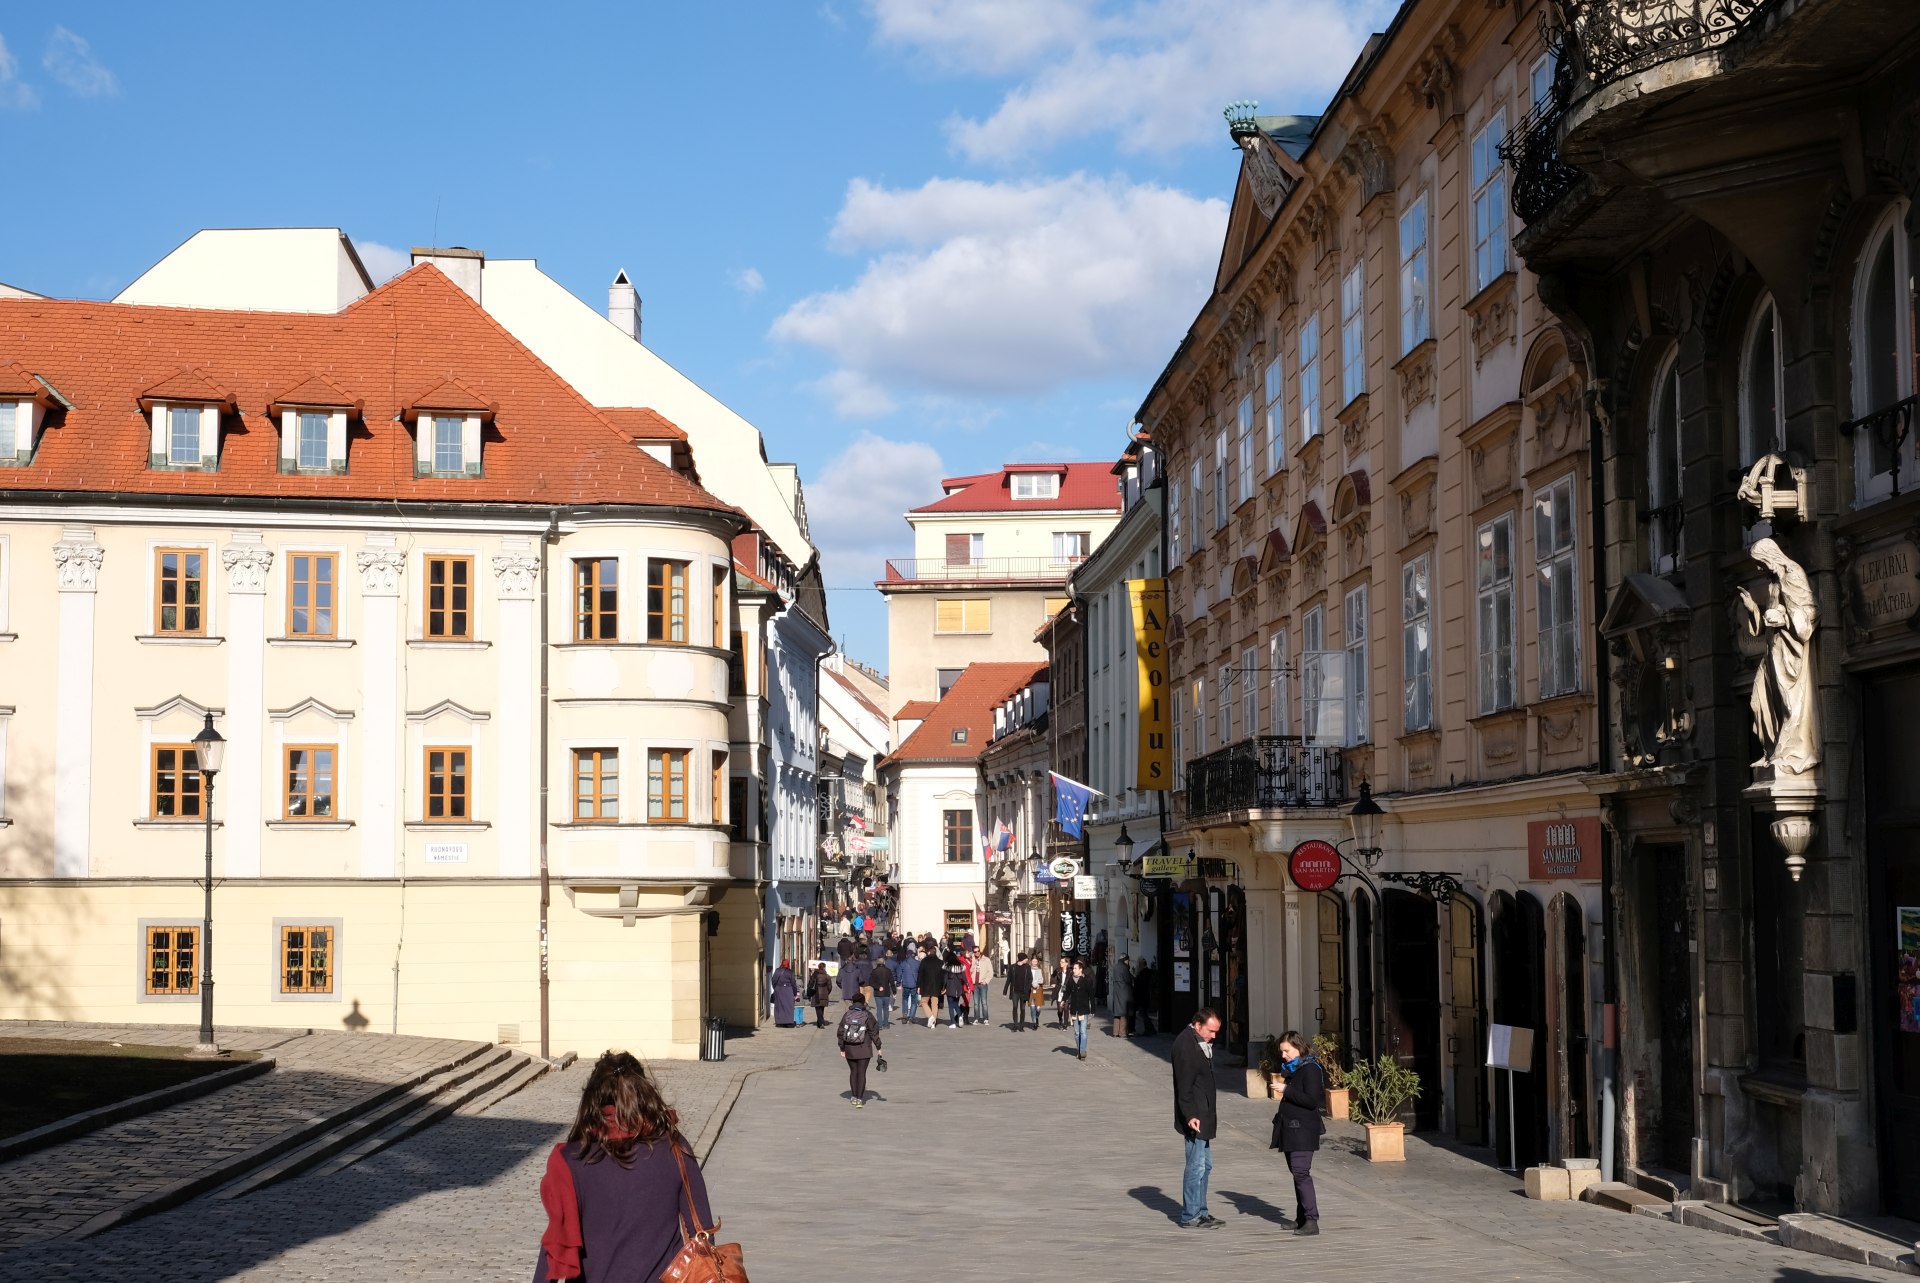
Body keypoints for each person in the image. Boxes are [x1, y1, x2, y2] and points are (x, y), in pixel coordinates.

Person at [532, 1051, 713, 1282]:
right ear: (643, 1092)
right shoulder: (674, 1147)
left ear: (593, 1097)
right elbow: (703, 1232)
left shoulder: (571, 1160)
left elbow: (555, 1247)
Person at [1171, 1008, 1223, 1229]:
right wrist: (1190, 1114)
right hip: (1196, 1117)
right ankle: (1190, 1214)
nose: (1214, 1036)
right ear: (1198, 1025)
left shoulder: (1197, 1042)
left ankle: (1201, 1210)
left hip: (1204, 1115)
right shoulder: (1186, 1045)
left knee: (1206, 1165)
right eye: (1211, 1031)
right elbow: (1184, 1085)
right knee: (1196, 1166)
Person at [1270, 1030, 1325, 1235]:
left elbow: (1311, 1100)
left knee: (1301, 1172)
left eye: (1286, 1051)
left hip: (1303, 1130)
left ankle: (1312, 1220)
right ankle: (1302, 1217)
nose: (1283, 1055)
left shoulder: (1311, 1068)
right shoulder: (1295, 1069)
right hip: (1290, 1129)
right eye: (1282, 1052)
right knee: (1297, 1173)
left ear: (1299, 1047)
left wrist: (1286, 1090)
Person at [837, 992, 883, 1108]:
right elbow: (874, 1033)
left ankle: (853, 1096)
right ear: (863, 1002)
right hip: (864, 1049)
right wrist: (879, 1047)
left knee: (853, 1072)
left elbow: (841, 1032)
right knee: (862, 1073)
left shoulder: (847, 1015)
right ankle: (859, 1099)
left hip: (850, 1048)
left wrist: (842, 1047)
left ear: (853, 1002)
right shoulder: (868, 1015)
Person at [1066, 959, 1097, 1060]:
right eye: (1073, 968)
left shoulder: (1087, 980)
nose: (1073, 970)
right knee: (1076, 1032)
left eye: (1075, 968)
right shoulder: (1070, 980)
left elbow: (1091, 996)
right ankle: (1079, 1050)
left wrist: (1093, 1009)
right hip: (1074, 1009)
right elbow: (1067, 992)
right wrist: (1063, 1000)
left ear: (1080, 970)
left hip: (1084, 1009)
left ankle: (1082, 1051)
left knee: (1083, 1031)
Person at [917, 947, 944, 1027]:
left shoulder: (924, 961)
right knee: (934, 1004)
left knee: (924, 1002)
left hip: (926, 986)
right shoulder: (940, 962)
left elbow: (920, 974)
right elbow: (943, 976)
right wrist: (943, 986)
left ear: (928, 952)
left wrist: (918, 985)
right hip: (937, 986)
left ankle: (931, 1016)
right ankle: (933, 1023)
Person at [870, 954, 896, 1030]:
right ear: (884, 962)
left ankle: (880, 1024)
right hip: (886, 993)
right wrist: (894, 992)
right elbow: (892, 982)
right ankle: (886, 1023)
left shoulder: (874, 971)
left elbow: (871, 982)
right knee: (885, 1009)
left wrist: (877, 987)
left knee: (879, 1009)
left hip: (878, 993)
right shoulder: (888, 971)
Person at [943, 949, 968, 1028]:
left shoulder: (947, 967)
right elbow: (964, 977)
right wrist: (967, 984)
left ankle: (953, 1022)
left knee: (950, 1005)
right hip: (958, 987)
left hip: (950, 987)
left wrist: (943, 987)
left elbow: (945, 979)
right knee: (955, 1004)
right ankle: (960, 1016)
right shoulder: (960, 966)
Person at [1005, 951, 1030, 1029]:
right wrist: (1005, 990)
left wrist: (1028, 988)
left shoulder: (1027, 967)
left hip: (1024, 992)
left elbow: (1030, 979)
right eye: (1026, 958)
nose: (1027, 960)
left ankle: (1021, 1025)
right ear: (1022, 959)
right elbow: (1008, 979)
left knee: (1022, 1009)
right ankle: (1015, 1024)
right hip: (1015, 991)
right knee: (1015, 1007)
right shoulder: (1012, 967)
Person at [771, 960, 799, 1029]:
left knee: (779, 1006)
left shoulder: (777, 971)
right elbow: (793, 983)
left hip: (779, 990)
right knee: (788, 1006)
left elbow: (773, 980)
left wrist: (776, 988)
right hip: (788, 990)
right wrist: (795, 993)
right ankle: (788, 1022)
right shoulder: (790, 972)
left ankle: (779, 1022)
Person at [1112, 954, 1133, 1036]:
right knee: (1124, 1013)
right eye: (1128, 960)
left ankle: (1115, 1032)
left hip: (1117, 992)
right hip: (1124, 992)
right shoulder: (1124, 968)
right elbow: (1128, 980)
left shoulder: (1115, 967)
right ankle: (1122, 1032)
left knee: (1117, 1014)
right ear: (1125, 960)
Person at [897, 943, 919, 1024]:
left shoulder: (903, 963)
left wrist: (898, 983)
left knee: (905, 999)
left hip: (905, 984)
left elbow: (899, 974)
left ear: (906, 955)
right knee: (914, 1001)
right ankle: (912, 1017)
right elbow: (920, 974)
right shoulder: (917, 963)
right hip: (914, 984)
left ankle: (905, 1015)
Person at [970, 948, 992, 1025]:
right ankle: (976, 1018)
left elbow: (990, 972)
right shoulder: (972, 960)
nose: (977, 953)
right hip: (974, 984)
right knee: (976, 1003)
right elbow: (970, 971)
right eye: (975, 952)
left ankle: (985, 1018)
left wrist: (986, 981)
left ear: (980, 951)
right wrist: (973, 962)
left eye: (978, 951)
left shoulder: (986, 960)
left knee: (984, 1002)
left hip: (983, 984)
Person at [808, 963, 833, 1028]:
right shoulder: (827, 976)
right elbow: (830, 987)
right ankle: (820, 1022)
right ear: (824, 967)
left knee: (818, 1009)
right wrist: (827, 993)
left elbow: (810, 984)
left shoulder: (815, 975)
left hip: (816, 994)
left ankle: (821, 1022)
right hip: (824, 993)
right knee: (822, 1008)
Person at [1027, 954, 1047, 1031]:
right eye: (1033, 961)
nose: (1034, 962)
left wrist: (1038, 983)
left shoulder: (1040, 970)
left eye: (1036, 961)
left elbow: (1042, 980)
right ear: (1031, 961)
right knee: (1032, 1008)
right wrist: (1031, 984)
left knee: (1038, 1008)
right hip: (1031, 989)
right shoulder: (1028, 969)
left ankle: (1037, 1017)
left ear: (1037, 962)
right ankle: (1034, 1023)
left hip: (1038, 989)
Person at [1054, 957, 1072, 1029]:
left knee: (1066, 1008)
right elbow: (1052, 977)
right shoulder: (1057, 970)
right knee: (1060, 1009)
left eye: (1062, 962)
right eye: (1060, 962)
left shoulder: (1070, 971)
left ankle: (1065, 1024)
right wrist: (1053, 983)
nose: (1060, 963)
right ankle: (1060, 1020)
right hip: (1059, 991)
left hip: (1067, 992)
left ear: (1066, 963)